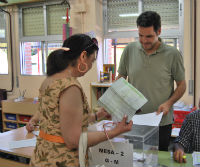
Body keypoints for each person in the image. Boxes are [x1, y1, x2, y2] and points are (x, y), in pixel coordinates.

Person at [29, 34, 133, 167]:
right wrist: (114, 132)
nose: (91, 66)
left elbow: (63, 121)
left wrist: (97, 115)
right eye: (92, 60)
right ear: (83, 56)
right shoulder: (70, 87)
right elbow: (73, 140)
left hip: (42, 157)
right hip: (62, 160)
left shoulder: (50, 80)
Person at [117, 11, 186, 151]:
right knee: (134, 158)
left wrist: (169, 103)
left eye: (149, 36)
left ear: (159, 31)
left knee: (157, 160)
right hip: (134, 120)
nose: (144, 40)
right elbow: (121, 79)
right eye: (140, 35)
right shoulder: (129, 50)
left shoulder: (173, 54)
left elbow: (182, 85)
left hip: (161, 122)